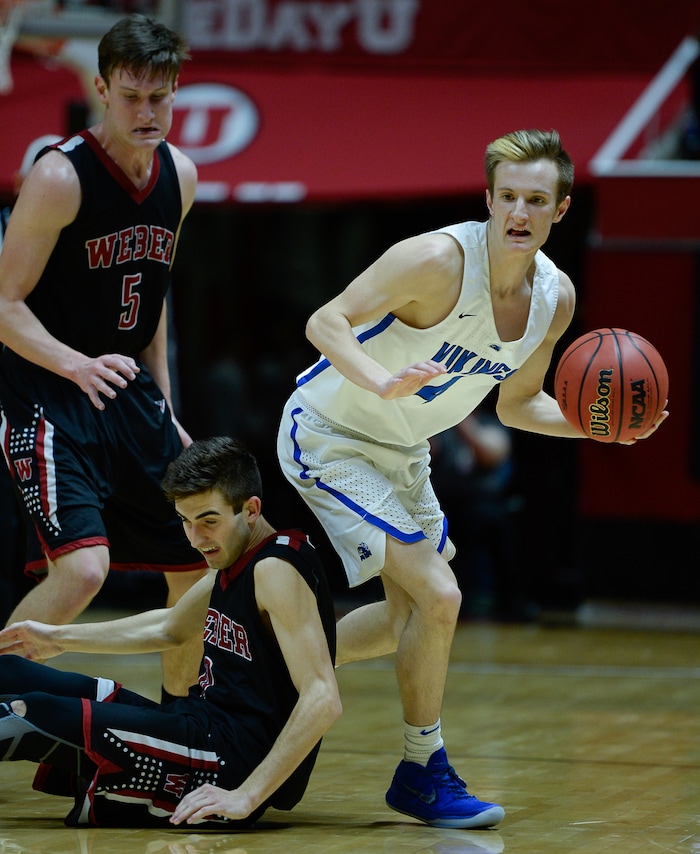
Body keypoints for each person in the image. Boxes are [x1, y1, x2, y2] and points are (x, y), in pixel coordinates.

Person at [277, 128, 668, 829]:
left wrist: (603, 426)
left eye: (536, 200)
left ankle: (267, 657)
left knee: (412, 618)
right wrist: (382, 381)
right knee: (441, 594)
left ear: (562, 209)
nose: (519, 212)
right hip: (331, 434)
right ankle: (422, 768)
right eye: (508, 197)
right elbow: (325, 320)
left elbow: (517, 406)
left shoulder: (556, 299)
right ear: (488, 198)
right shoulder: (434, 260)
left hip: (404, 450)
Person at [0, 14, 208, 700]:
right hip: (49, 392)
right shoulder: (61, 175)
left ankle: (184, 727)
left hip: (127, 390)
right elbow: (4, 304)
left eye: (160, 96)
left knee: (198, 564)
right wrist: (74, 364)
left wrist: (166, 406)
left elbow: (154, 297)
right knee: (84, 571)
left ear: (177, 92)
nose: (146, 112)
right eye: (131, 97)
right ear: (101, 89)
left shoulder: (183, 174)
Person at [0, 436, 341, 828]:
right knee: (13, 671)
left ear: (250, 509)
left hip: (230, 764)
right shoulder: (240, 558)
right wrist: (56, 637)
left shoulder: (275, 569)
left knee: (31, 714)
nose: (195, 539)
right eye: (185, 521)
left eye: (208, 521)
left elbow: (323, 696)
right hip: (197, 724)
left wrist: (246, 795)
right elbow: (169, 626)